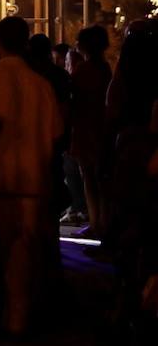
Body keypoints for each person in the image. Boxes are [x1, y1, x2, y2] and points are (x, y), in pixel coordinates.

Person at [0, 16, 63, 336]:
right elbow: (55, 133)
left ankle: (7, 315)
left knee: (0, 249)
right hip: (34, 178)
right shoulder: (42, 86)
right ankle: (20, 315)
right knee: (27, 249)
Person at [67, 26, 111, 235]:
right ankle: (102, 221)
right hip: (101, 129)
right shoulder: (105, 68)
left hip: (86, 129)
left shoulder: (83, 70)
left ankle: (96, 223)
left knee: (90, 179)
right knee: (101, 179)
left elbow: (74, 99)